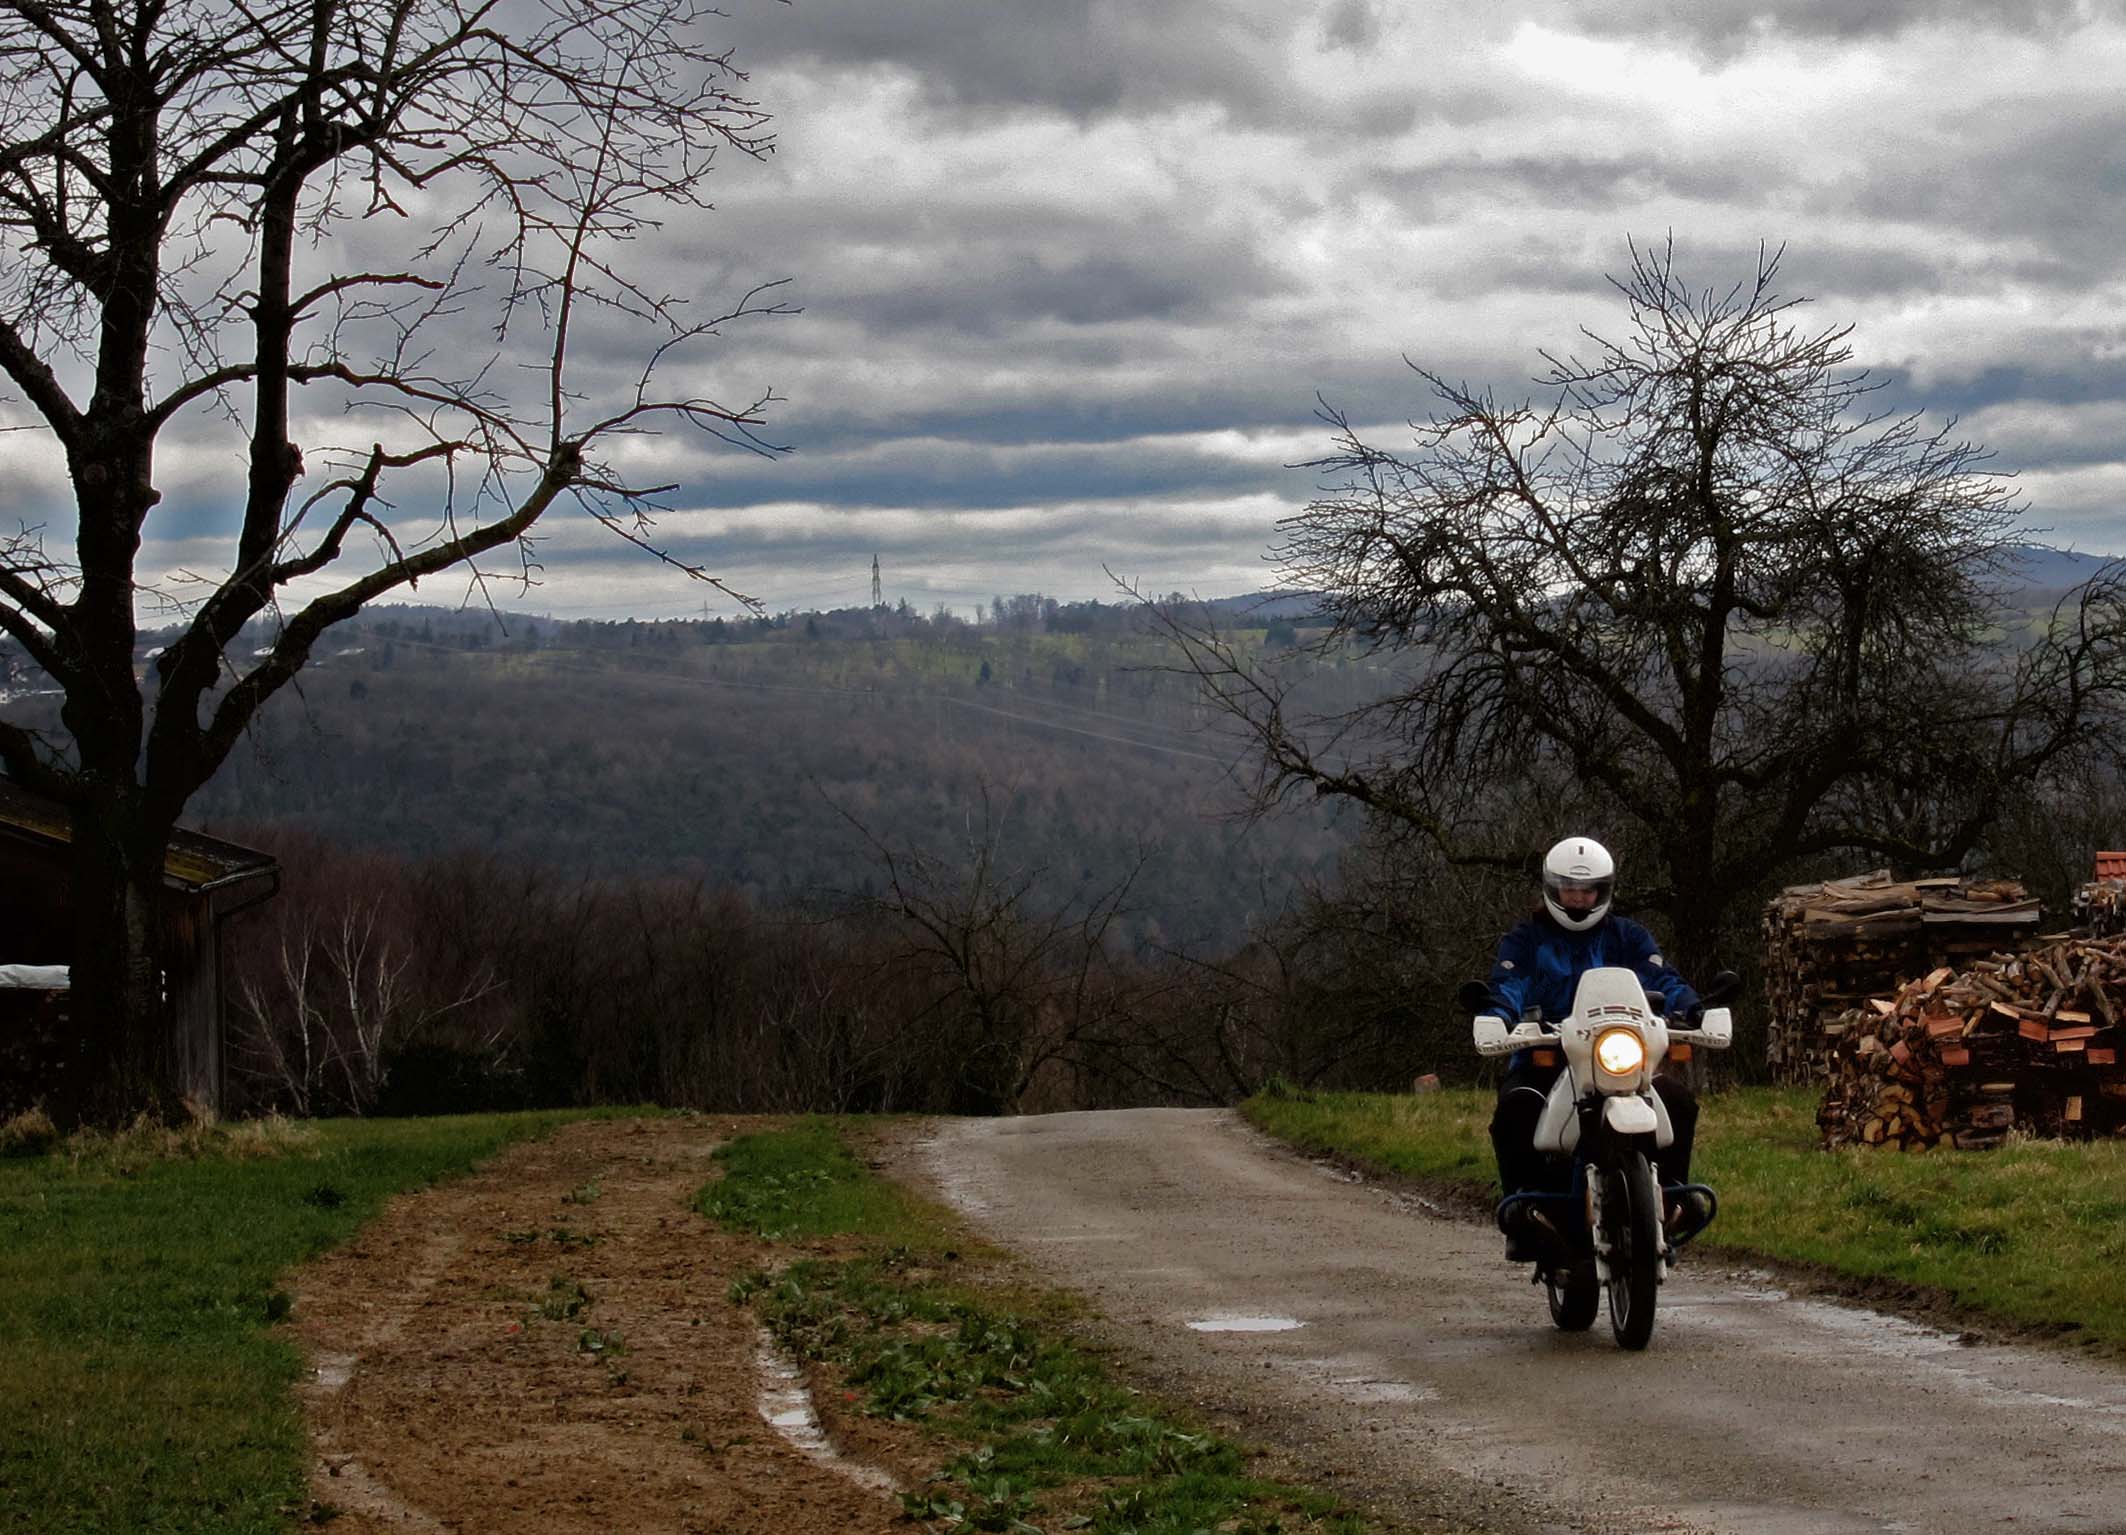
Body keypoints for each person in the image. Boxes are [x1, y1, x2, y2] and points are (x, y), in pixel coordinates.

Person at [1477, 836, 1701, 1256]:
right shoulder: (1527, 939)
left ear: (1603, 891)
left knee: (1677, 1100)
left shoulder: (1627, 936)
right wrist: (1496, 1014)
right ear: (1552, 888)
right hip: (1547, 1052)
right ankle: (1525, 1211)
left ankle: (1672, 1199)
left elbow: (1661, 977)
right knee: (1518, 1105)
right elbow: (1509, 982)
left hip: (1619, 1053)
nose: (1579, 899)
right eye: (1570, 889)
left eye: (1588, 890)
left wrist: (1693, 1007)